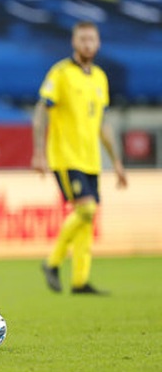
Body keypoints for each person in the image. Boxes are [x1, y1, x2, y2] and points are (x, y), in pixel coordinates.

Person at [31, 21, 127, 295]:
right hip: (65, 156)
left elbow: (103, 124)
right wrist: (38, 152)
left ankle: (80, 281)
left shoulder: (100, 78)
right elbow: (41, 110)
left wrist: (117, 162)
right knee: (86, 210)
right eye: (83, 39)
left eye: (92, 39)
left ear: (98, 44)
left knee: (87, 217)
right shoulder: (60, 73)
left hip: (91, 159)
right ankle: (51, 263)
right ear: (74, 43)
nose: (87, 44)